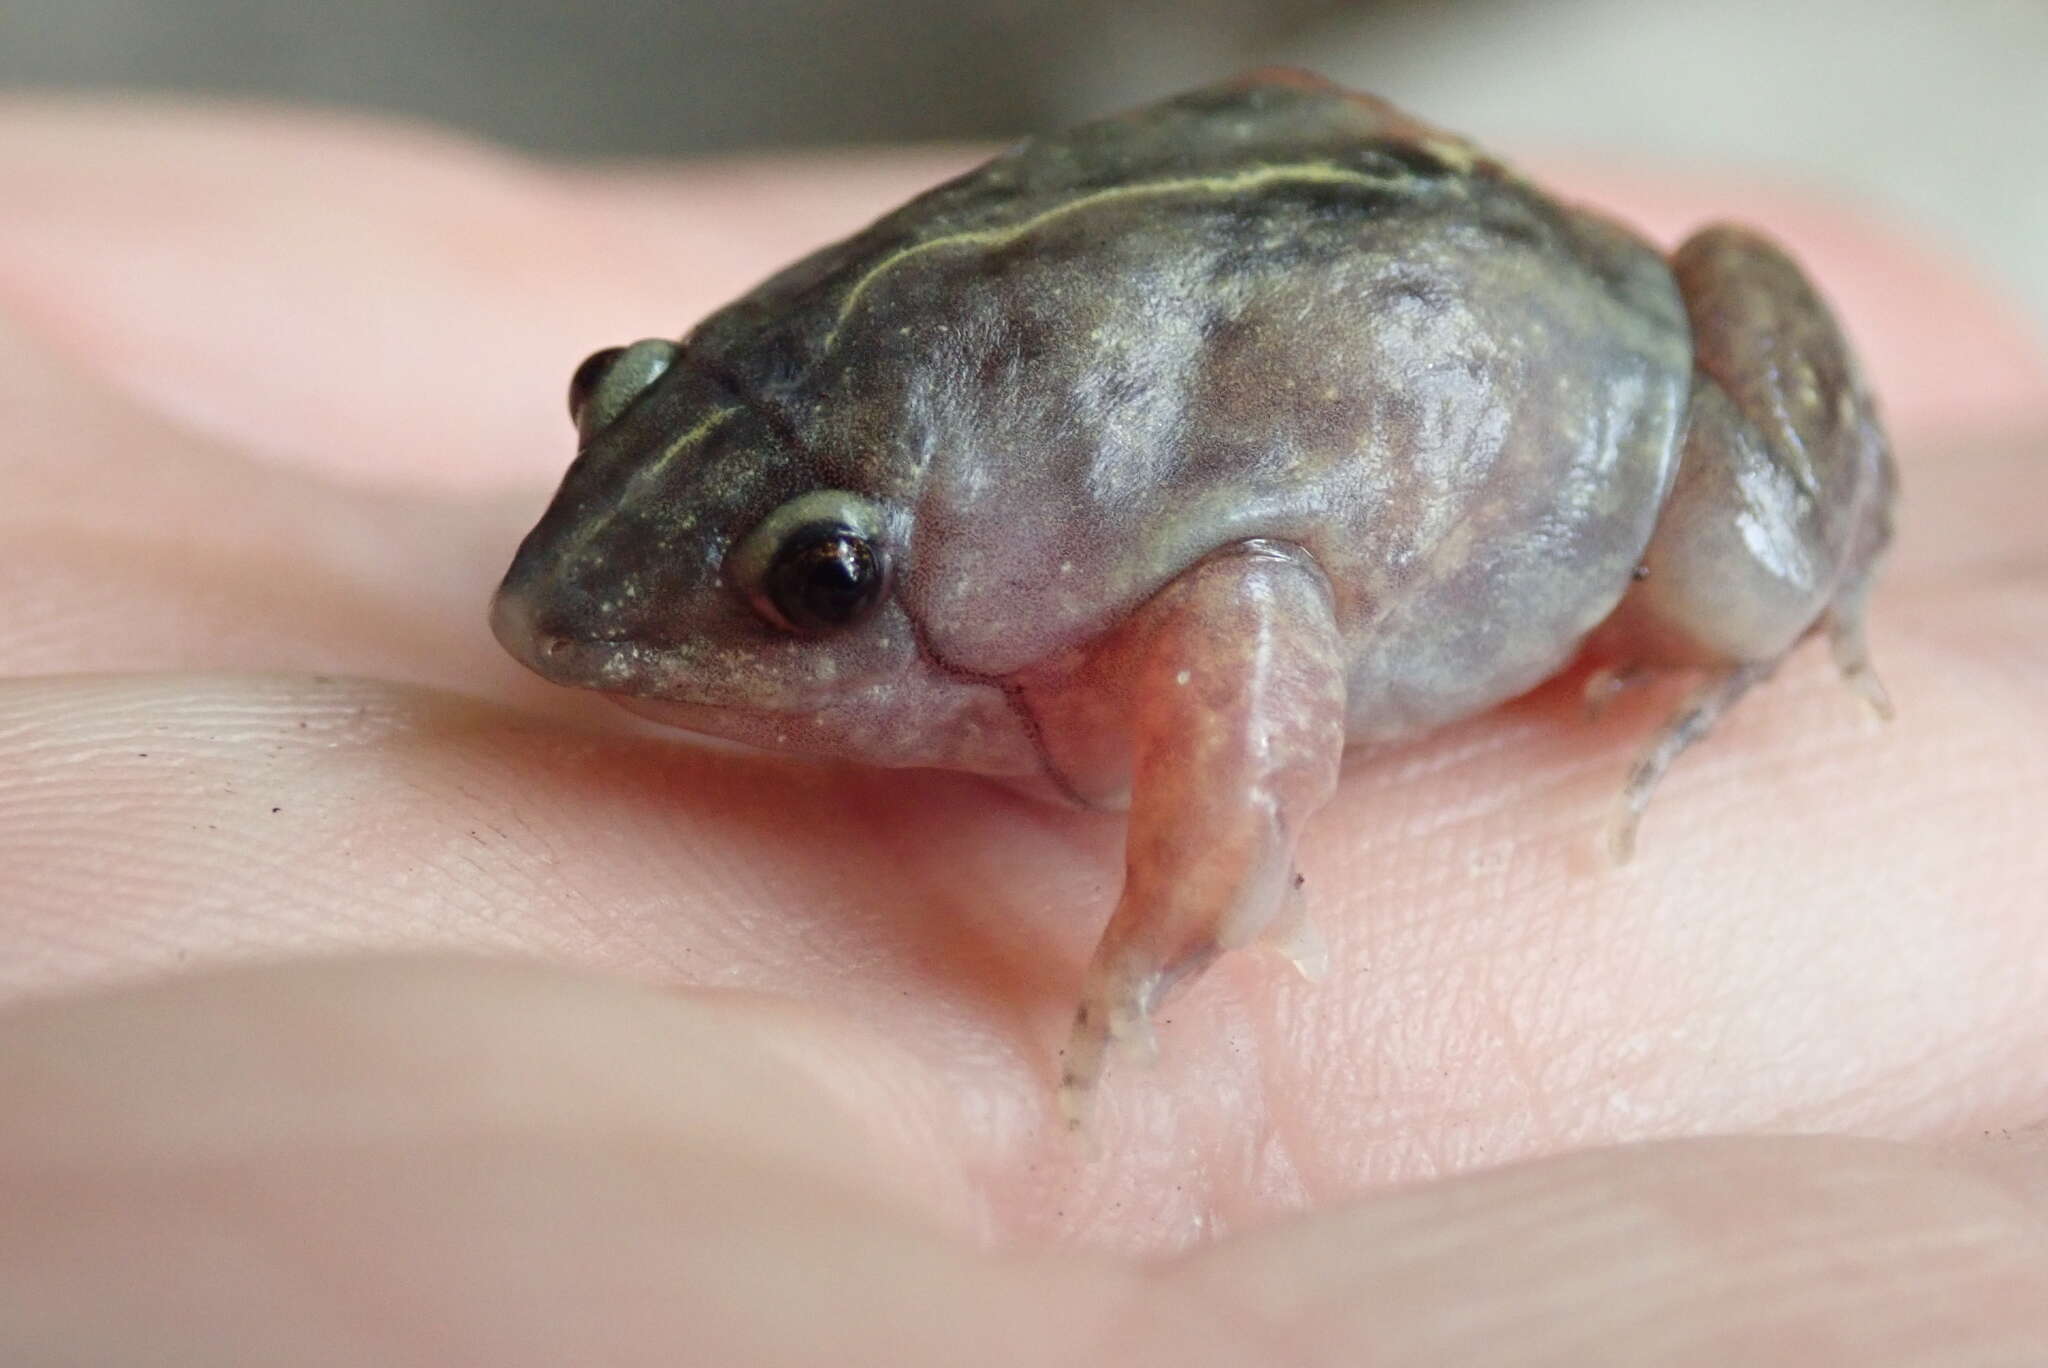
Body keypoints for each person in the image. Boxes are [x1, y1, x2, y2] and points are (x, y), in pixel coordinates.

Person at [1, 99, 2044, 1362]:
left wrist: (1152, 951)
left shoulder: (1174, 581)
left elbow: (1254, 659)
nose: (575, 617)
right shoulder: (885, 406)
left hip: (1589, 355)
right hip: (1290, 233)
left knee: (1739, 571)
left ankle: (1768, 623)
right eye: (620, 402)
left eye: (810, 583)